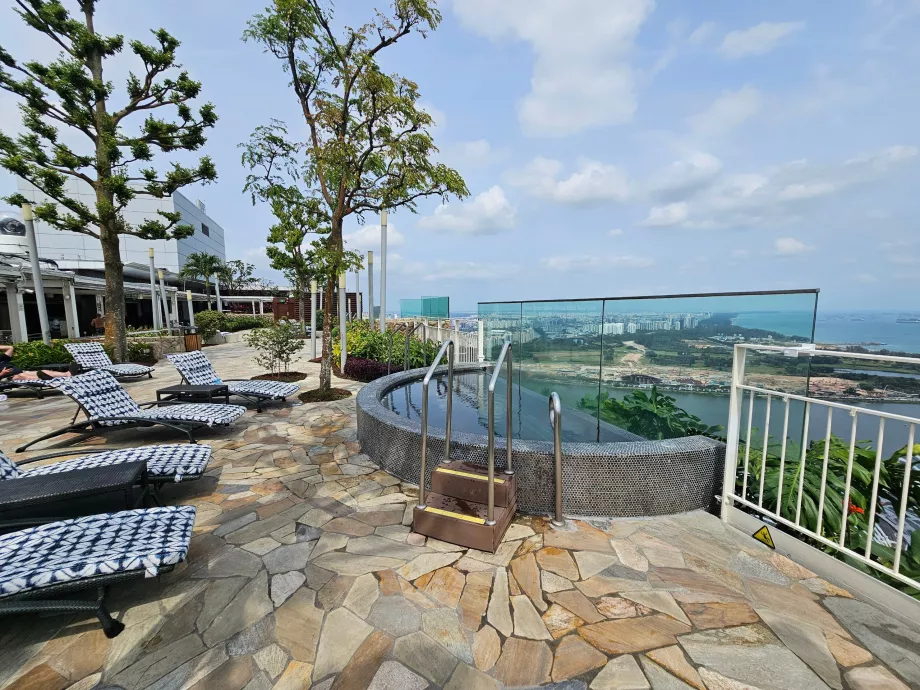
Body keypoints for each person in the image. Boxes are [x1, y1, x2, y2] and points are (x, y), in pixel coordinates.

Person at [0, 345, 80, 381]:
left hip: (20, 371)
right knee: (22, 376)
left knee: (43, 371)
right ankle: (45, 379)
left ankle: (67, 374)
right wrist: (2, 373)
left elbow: (10, 348)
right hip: (8, 377)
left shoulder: (2, 358)